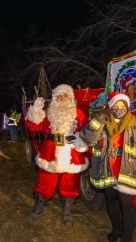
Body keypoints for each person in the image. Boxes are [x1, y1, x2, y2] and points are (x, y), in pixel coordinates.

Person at [78, 92, 136, 242]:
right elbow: (86, 139)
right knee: (111, 200)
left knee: (127, 204)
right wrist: (98, 120)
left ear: (127, 108)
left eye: (123, 106)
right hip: (107, 170)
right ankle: (117, 229)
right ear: (111, 107)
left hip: (127, 171)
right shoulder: (102, 122)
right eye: (116, 106)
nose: (119, 109)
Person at [26, 84, 89, 224]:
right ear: (54, 99)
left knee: (70, 186)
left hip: (72, 156)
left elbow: (87, 134)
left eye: (64, 96)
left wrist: (81, 143)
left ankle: (67, 211)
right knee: (45, 183)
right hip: (50, 155)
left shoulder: (78, 114)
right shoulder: (49, 114)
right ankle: (38, 206)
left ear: (70, 98)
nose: (61, 99)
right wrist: (35, 111)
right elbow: (33, 126)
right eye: (58, 96)